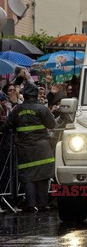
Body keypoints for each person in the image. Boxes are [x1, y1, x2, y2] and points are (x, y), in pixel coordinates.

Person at [7, 83, 56, 212]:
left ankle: (30, 205)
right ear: (35, 94)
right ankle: (43, 204)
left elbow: (6, 125)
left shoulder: (17, 109)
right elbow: (51, 124)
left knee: (28, 176)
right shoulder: (41, 108)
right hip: (42, 148)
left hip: (24, 149)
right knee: (43, 175)